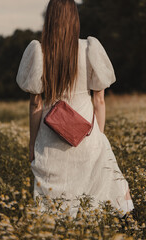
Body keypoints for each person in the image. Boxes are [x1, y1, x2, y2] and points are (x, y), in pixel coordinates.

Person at [16, 0, 135, 219]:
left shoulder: (39, 51)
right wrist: (97, 137)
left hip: (50, 139)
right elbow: (99, 99)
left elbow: (36, 104)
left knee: (54, 206)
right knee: (101, 192)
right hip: (87, 134)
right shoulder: (90, 48)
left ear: (49, 19)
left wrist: (33, 142)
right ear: (74, 18)